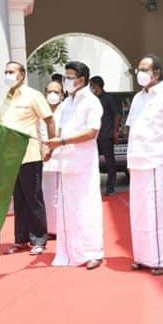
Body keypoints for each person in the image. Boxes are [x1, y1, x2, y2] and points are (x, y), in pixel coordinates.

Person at [126, 55, 163, 275]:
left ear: (156, 73)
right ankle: (143, 256)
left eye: (144, 69)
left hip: (159, 162)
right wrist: (131, 161)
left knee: (160, 212)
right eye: (138, 68)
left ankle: (162, 259)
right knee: (140, 212)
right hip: (139, 162)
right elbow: (133, 130)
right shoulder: (137, 98)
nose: (139, 72)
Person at [44, 61, 104, 270]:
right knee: (68, 209)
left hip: (84, 164)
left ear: (81, 79)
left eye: (70, 77)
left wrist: (61, 142)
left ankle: (93, 252)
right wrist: (51, 149)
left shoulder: (92, 102)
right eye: (65, 76)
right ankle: (70, 251)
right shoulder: (66, 103)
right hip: (66, 163)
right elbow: (58, 130)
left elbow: (91, 132)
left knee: (86, 207)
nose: (66, 81)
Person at [0, 61, 56, 256]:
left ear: (22, 75)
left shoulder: (33, 95)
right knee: (19, 200)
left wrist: (49, 145)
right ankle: (21, 240)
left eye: (11, 72)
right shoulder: (7, 98)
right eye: (6, 72)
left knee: (33, 198)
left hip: (30, 154)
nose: (8, 75)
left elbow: (49, 119)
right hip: (11, 157)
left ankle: (39, 238)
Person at [41, 80, 65, 237]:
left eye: (56, 92)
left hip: (62, 159)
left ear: (62, 95)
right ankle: (49, 229)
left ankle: (60, 228)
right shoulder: (40, 111)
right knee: (46, 196)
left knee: (60, 197)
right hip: (43, 160)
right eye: (50, 91)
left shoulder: (66, 110)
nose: (53, 95)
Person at [90, 76, 121, 195]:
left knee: (110, 163)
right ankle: (94, 187)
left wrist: (115, 131)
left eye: (92, 85)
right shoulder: (92, 99)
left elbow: (117, 114)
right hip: (93, 136)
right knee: (92, 162)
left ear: (97, 86)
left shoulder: (108, 98)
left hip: (106, 135)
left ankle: (110, 187)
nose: (91, 88)